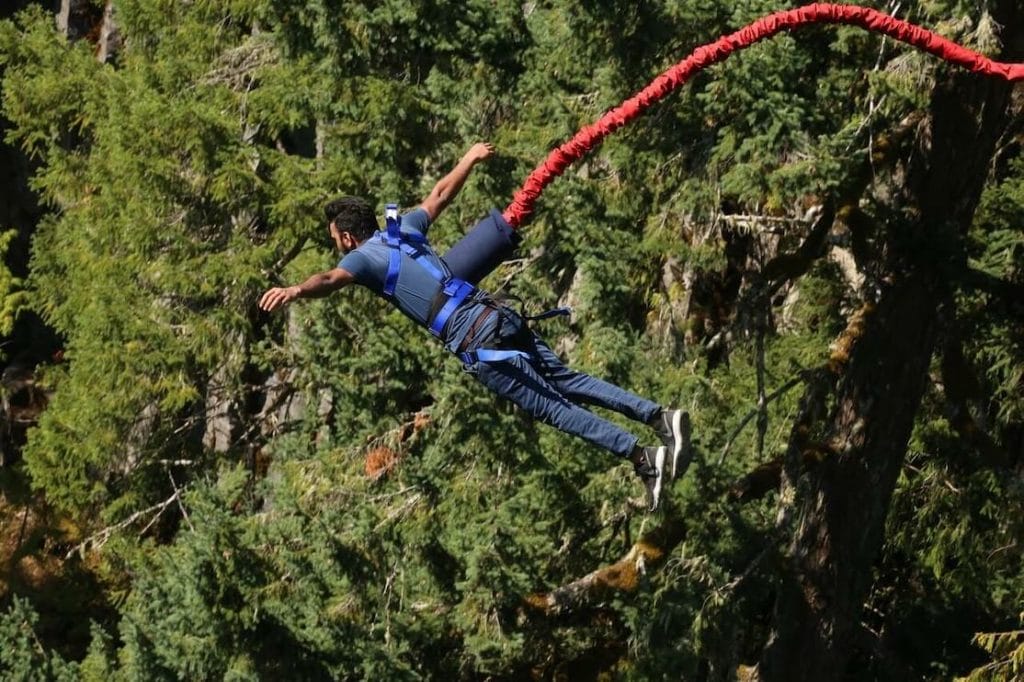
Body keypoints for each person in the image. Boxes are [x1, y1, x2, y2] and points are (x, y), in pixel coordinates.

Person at [259, 142, 690, 510]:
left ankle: (642, 457)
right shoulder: (402, 229)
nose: (338, 249)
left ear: (348, 238)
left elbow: (330, 280)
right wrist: (468, 159)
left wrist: (297, 289)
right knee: (567, 379)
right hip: (496, 313)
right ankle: (659, 417)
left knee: (553, 408)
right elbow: (440, 195)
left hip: (473, 337)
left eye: (336, 241)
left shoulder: (361, 258)